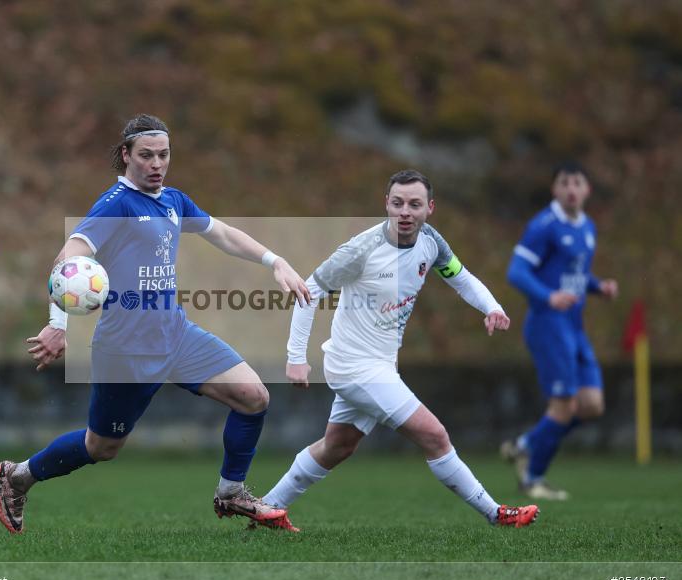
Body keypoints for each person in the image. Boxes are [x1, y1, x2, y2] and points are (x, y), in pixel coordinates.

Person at [0, 114, 310, 534]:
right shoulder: (115, 205)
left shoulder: (174, 200)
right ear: (126, 155)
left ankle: (231, 493)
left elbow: (223, 234)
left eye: (163, 155)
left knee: (253, 396)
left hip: (176, 336)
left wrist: (276, 262)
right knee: (101, 447)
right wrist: (58, 324)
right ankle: (17, 478)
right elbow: (68, 258)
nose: (156, 163)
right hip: (125, 351)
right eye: (146, 155)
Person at [260, 169, 539, 532]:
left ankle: (267, 508)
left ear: (430, 208)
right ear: (386, 205)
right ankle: (497, 514)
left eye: (414, 204)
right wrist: (296, 357)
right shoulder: (361, 250)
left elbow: (460, 276)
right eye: (397, 203)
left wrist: (491, 307)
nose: (405, 211)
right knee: (435, 435)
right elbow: (307, 292)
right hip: (354, 366)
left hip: (381, 366)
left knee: (337, 446)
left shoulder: (432, 244)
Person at [500, 162, 618, 500]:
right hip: (548, 325)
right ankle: (532, 479)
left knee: (592, 405)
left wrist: (598, 287)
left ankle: (524, 445)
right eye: (564, 182)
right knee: (564, 406)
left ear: (587, 190)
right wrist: (548, 297)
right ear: (554, 189)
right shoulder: (543, 226)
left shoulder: (588, 227)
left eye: (577, 182)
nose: (570, 188)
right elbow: (516, 272)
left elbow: (574, 276)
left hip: (574, 327)